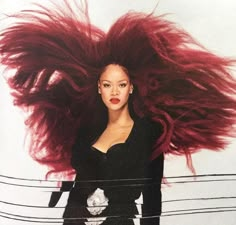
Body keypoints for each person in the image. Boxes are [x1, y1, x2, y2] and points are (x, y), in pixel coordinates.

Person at [0, 1, 236, 224]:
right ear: (99, 88)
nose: (114, 91)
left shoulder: (148, 132)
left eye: (121, 84)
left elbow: (152, 196)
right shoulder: (87, 130)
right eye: (107, 84)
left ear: (131, 88)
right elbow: (79, 188)